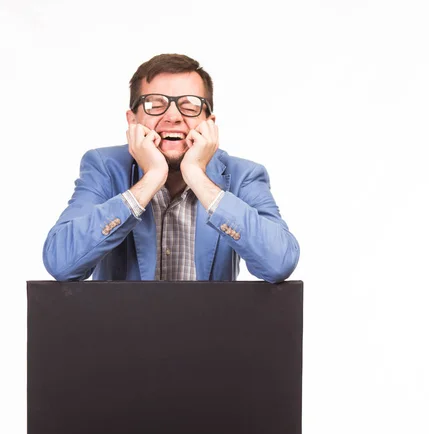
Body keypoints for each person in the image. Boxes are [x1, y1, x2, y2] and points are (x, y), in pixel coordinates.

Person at [43, 54, 300, 283]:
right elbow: (61, 263)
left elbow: (279, 263)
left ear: (209, 123)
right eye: (155, 104)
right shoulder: (104, 167)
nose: (174, 116)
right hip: (123, 334)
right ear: (132, 120)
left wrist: (198, 178)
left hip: (211, 335)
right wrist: (150, 180)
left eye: (189, 105)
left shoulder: (244, 175)